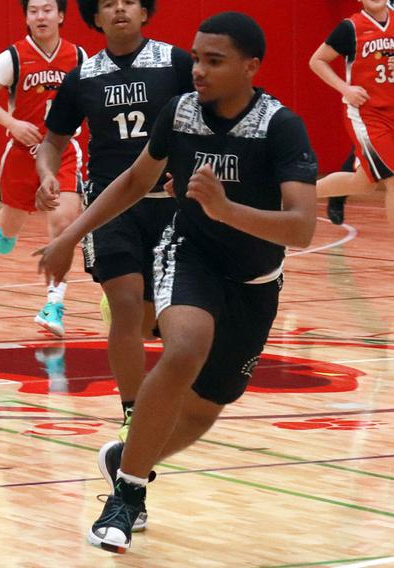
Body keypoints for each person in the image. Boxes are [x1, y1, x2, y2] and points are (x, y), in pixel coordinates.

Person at [36, 12, 317, 553]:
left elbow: (302, 228)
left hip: (257, 278)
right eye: (196, 58)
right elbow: (135, 180)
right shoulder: (180, 112)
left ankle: (126, 459)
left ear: (251, 66)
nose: (199, 70)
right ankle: (128, 495)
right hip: (188, 255)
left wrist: (226, 208)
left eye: (214, 61)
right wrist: (69, 235)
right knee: (184, 345)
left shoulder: (282, 125)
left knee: (207, 406)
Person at [36, 0, 192, 463]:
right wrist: (49, 173)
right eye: (108, 3)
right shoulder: (83, 77)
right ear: (94, 18)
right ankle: (132, 411)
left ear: (146, 12)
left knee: (159, 322)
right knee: (125, 307)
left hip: (173, 209)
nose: (119, 9)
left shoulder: (177, 63)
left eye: (129, 1)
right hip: (111, 208)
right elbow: (52, 140)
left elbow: (212, 116)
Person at [0, 0, 86, 336]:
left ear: (61, 15)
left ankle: (54, 302)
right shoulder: (13, 57)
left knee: (63, 222)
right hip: (23, 153)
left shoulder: (80, 58)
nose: (41, 16)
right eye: (34, 10)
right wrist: (12, 122)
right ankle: (5, 231)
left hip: (63, 152)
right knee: (10, 224)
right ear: (26, 17)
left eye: (47, 9)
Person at [310, 0, 394, 224]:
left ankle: (295, 194)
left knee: (363, 183)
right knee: (393, 179)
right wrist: (345, 88)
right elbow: (316, 61)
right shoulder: (350, 28)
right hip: (368, 116)